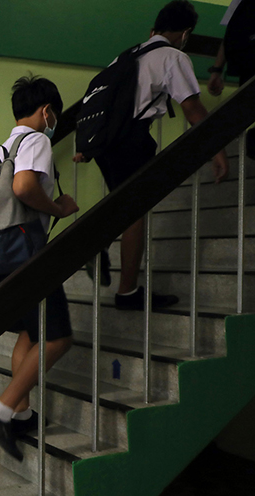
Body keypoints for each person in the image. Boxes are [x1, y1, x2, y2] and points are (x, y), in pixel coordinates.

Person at [76, 0, 229, 310]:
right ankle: (126, 291)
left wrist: (88, 146)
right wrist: (219, 149)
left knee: (124, 206)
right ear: (185, 33)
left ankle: (97, 245)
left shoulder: (128, 55)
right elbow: (192, 108)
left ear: (153, 30)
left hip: (108, 143)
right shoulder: (173, 56)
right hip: (131, 141)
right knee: (135, 213)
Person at [0, 76, 80, 462]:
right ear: (47, 111)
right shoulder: (36, 140)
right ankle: (2, 409)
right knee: (58, 338)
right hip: (25, 255)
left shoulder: (0, 150)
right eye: (54, 115)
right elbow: (24, 187)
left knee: (30, 332)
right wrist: (58, 208)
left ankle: (21, 413)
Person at [207, 0, 255, 160]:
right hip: (247, 68)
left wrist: (217, 71)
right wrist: (216, 71)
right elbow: (229, 37)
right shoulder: (240, 4)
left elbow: (228, 38)